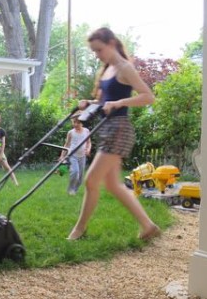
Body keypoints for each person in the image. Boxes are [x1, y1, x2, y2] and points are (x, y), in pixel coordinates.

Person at [67, 27, 161, 241]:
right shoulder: (108, 69)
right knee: (112, 185)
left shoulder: (124, 68)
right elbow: (104, 103)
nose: (97, 55)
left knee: (91, 181)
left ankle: (79, 230)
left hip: (119, 129)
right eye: (94, 51)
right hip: (107, 129)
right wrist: (88, 103)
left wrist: (120, 102)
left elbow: (148, 97)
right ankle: (148, 226)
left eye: (99, 50)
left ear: (111, 43)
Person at [60, 112, 91, 195]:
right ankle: (70, 189)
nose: (76, 124)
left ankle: (75, 189)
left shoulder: (86, 131)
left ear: (82, 122)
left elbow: (89, 143)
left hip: (82, 157)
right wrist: (62, 156)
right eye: (74, 122)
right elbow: (66, 144)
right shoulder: (71, 132)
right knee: (75, 172)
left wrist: (88, 149)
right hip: (72, 155)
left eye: (78, 122)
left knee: (80, 178)